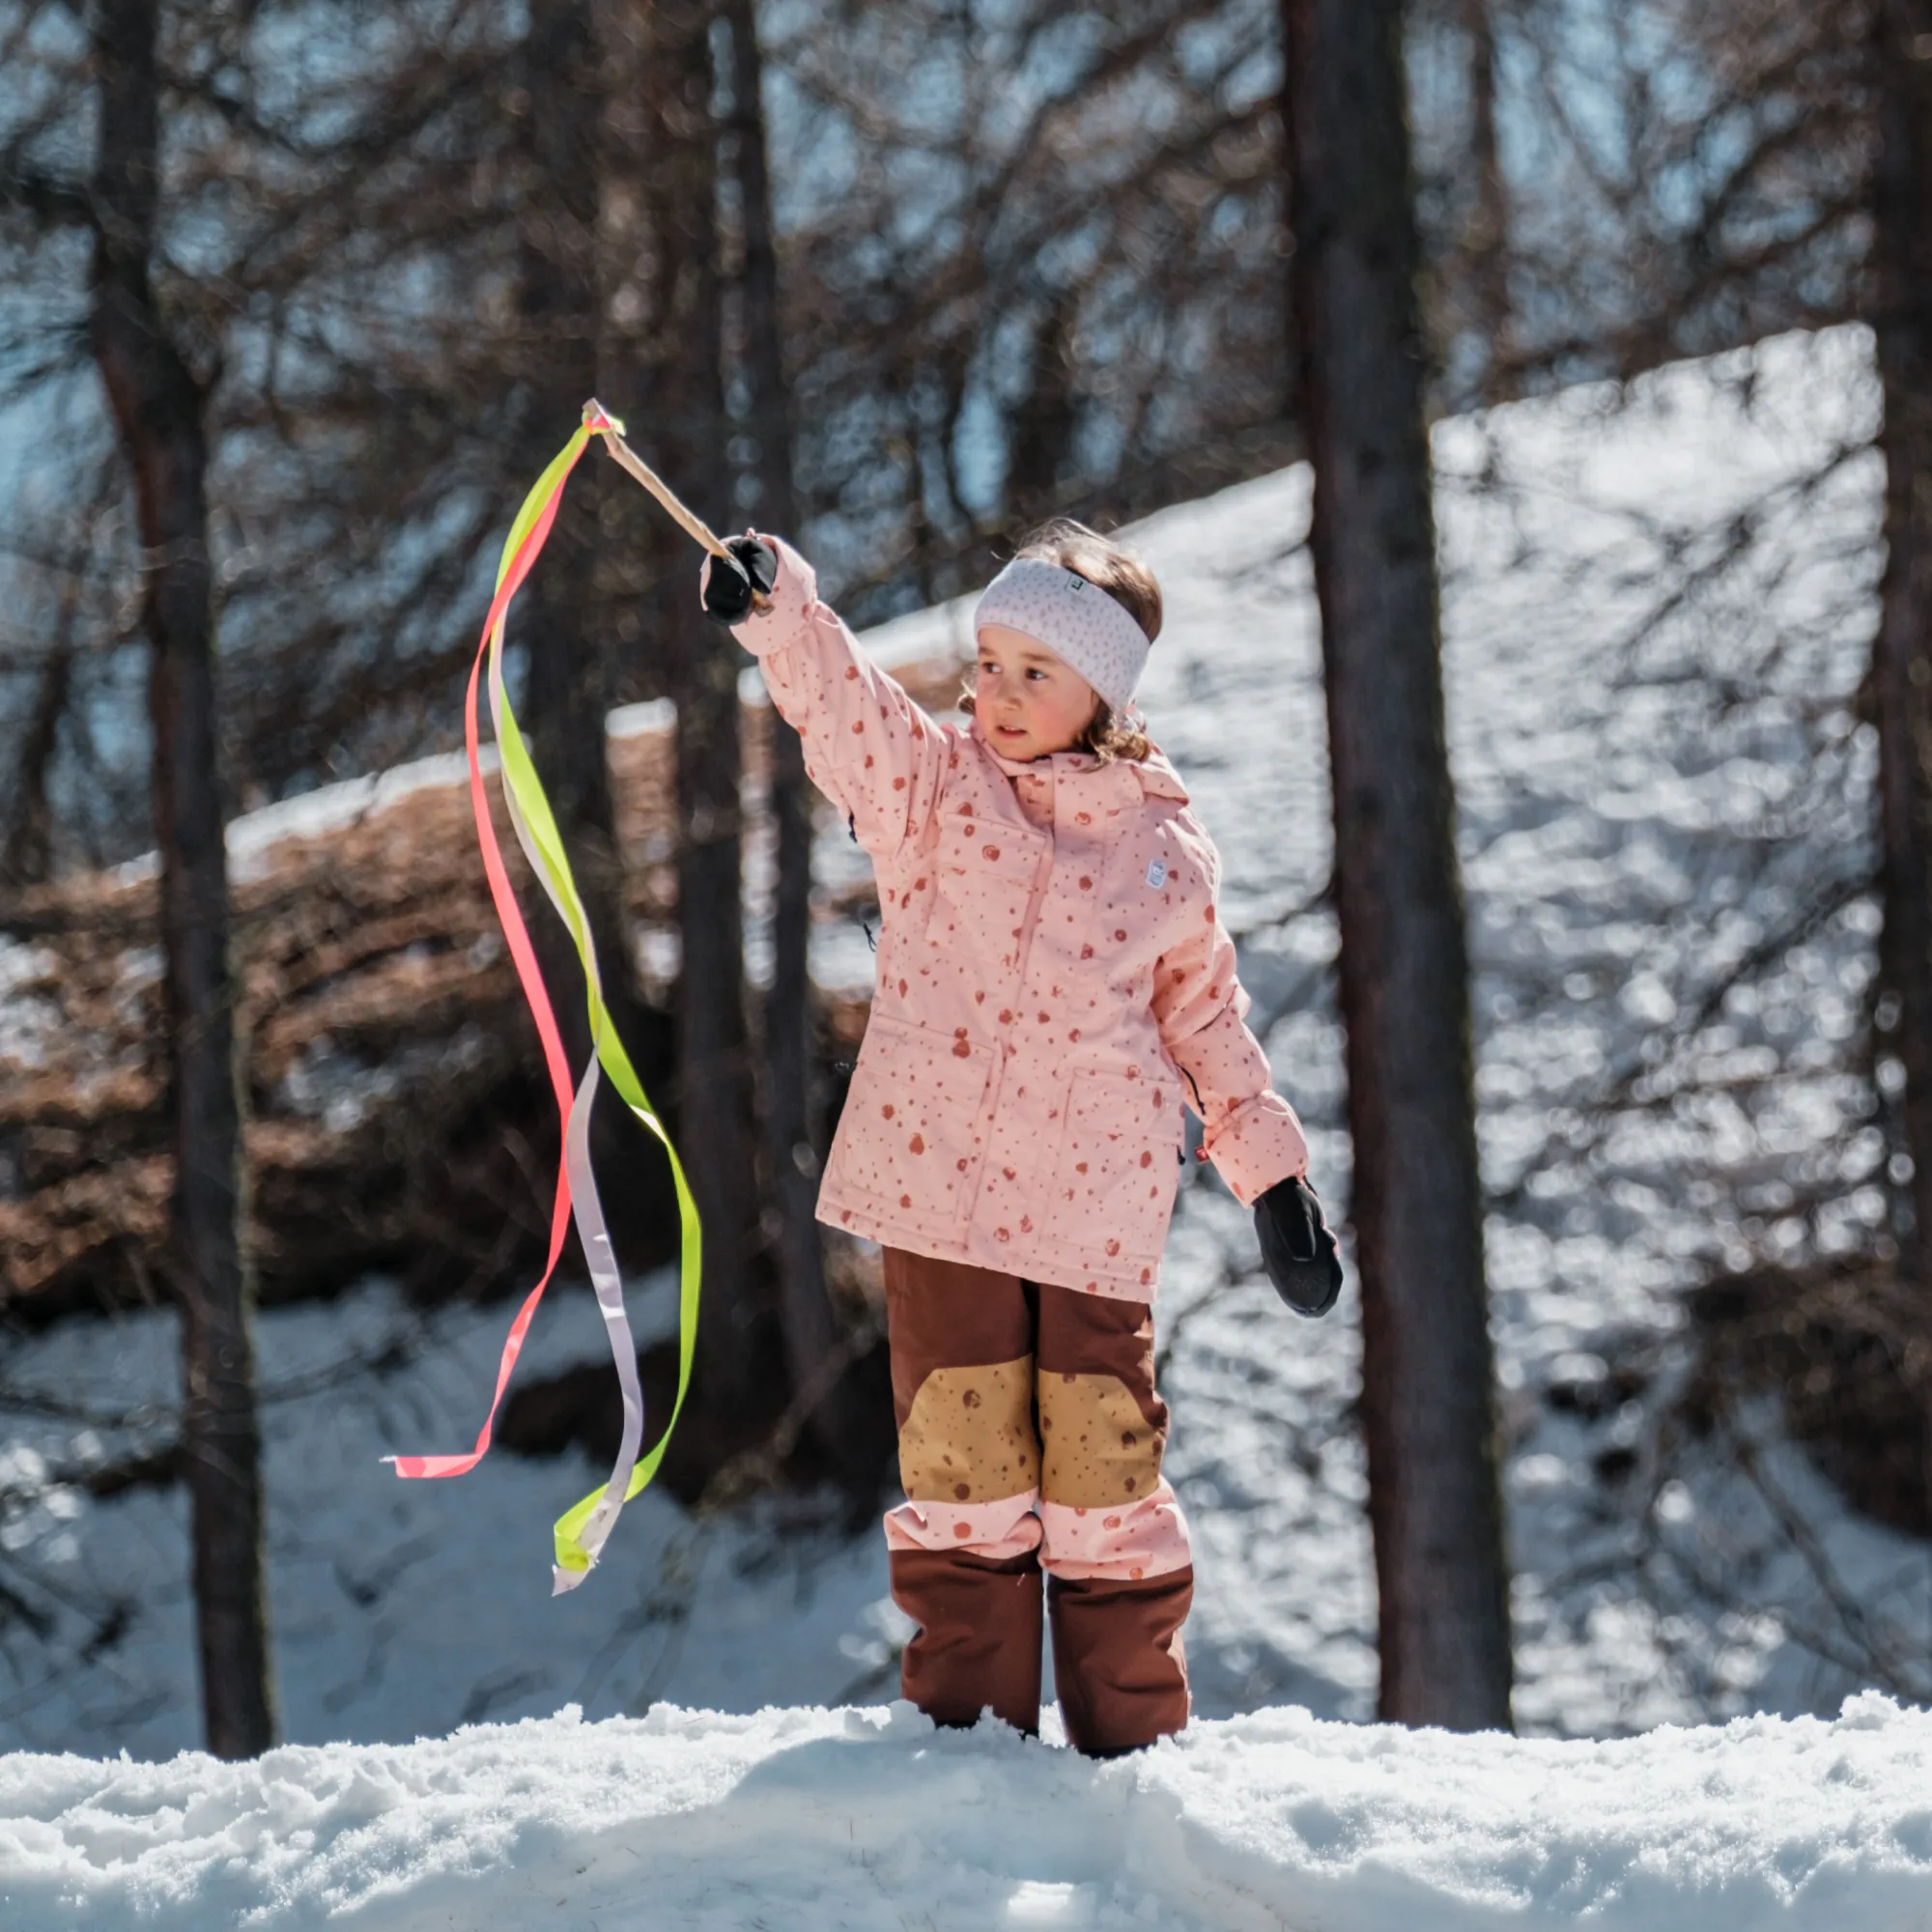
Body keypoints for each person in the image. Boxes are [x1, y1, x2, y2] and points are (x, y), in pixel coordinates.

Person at [701, 518, 1337, 1755]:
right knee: (964, 1472)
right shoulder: (934, 793)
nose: (992, 693)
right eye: (986, 663)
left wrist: (1273, 1178)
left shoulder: (1162, 854)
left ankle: (1128, 1743)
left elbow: (1204, 1019)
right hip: (943, 1200)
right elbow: (843, 706)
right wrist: (775, 605)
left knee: (1102, 1475)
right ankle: (968, 1745)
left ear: (1100, 689)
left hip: (1091, 1218)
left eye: (1030, 672)